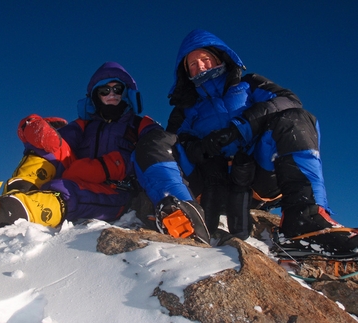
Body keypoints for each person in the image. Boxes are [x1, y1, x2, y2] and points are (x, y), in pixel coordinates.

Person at [134, 29, 358, 253]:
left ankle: (304, 219)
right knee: (153, 141)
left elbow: (289, 102)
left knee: (294, 120)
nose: (200, 66)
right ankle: (184, 216)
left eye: (205, 59)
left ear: (220, 58)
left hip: (257, 177)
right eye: (192, 64)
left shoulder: (250, 85)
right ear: (186, 73)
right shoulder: (184, 109)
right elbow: (177, 142)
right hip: (207, 184)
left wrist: (238, 129)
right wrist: (198, 148)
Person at [0, 62, 164, 231]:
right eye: (105, 91)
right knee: (47, 145)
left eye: (118, 89)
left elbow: (155, 154)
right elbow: (53, 145)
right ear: (96, 96)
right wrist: (31, 129)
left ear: (127, 93)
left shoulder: (139, 124)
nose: (112, 95)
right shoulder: (83, 126)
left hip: (117, 192)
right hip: (76, 177)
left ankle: (2, 215)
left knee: (68, 191)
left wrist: (104, 167)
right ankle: (18, 195)